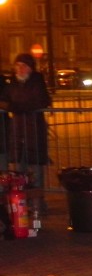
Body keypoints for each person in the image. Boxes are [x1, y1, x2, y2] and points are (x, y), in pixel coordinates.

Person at [1, 53, 52, 211]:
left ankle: (38, 202)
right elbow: (4, 100)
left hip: (34, 128)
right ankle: (20, 202)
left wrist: (16, 107)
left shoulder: (36, 80)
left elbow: (40, 100)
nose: (20, 69)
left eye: (23, 66)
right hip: (17, 130)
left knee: (35, 166)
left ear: (30, 68)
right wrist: (13, 106)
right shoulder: (12, 82)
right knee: (18, 168)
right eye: (18, 66)